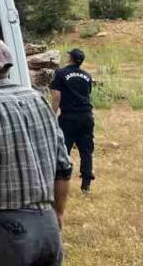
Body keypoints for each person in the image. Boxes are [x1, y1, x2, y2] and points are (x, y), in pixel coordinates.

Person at [0, 35, 72, 266]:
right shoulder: (37, 99)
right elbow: (63, 167)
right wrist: (57, 214)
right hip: (47, 225)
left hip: (7, 232)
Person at [50, 48, 95, 193]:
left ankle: (60, 182)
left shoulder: (61, 73)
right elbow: (87, 94)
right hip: (86, 117)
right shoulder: (87, 76)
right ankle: (86, 185)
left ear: (70, 58)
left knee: (63, 151)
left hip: (68, 118)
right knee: (86, 151)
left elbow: (56, 97)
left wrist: (51, 116)